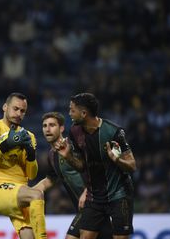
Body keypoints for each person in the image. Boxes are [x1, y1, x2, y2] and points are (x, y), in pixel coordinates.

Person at [55, 93, 136, 239]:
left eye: (72, 110)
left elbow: (132, 166)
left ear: (84, 113)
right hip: (95, 196)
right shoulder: (74, 131)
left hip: (119, 193)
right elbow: (81, 166)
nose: (69, 113)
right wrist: (68, 156)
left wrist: (116, 160)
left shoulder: (114, 131)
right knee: (85, 236)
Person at [34, 112, 112, 239]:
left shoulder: (74, 145)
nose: (47, 129)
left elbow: (97, 168)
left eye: (52, 125)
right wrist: (28, 192)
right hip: (85, 208)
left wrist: (87, 191)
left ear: (62, 128)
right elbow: (50, 180)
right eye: (44, 126)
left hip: (95, 202)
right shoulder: (51, 155)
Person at [0, 92, 47, 239]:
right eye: (15, 109)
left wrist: (31, 155)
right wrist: (6, 145)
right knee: (36, 194)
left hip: (20, 189)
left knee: (29, 235)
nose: (18, 114)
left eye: (22, 111)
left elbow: (32, 174)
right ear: (5, 107)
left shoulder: (28, 136)